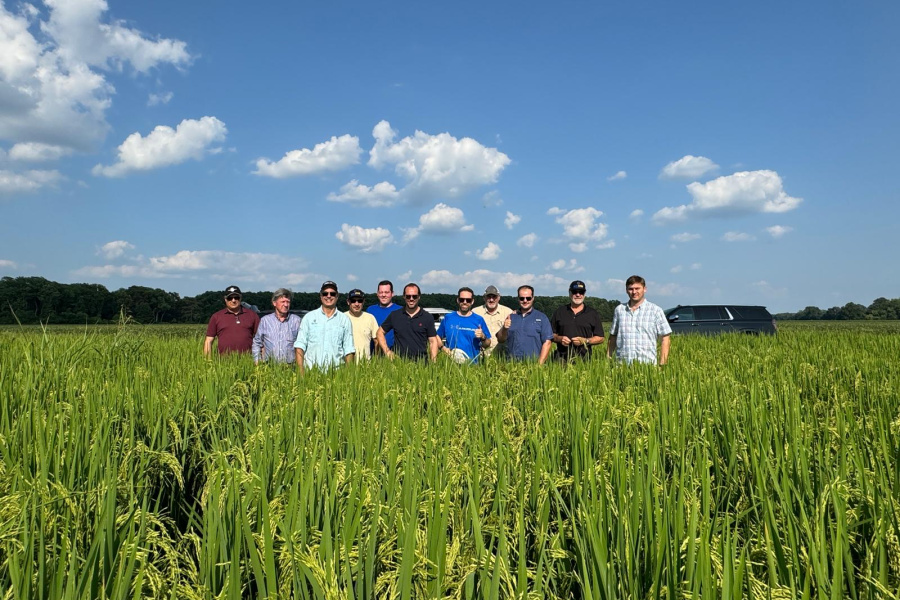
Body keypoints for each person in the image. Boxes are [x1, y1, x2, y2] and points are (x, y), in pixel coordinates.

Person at [607, 275, 671, 365]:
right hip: (622, 366)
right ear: (626, 290)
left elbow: (665, 338)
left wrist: (662, 364)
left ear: (644, 289)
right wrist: (608, 361)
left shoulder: (655, 310)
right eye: (630, 289)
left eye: (637, 288)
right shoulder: (619, 310)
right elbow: (613, 337)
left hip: (648, 366)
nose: (634, 292)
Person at [294, 281, 355, 374]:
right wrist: (301, 371)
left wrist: (348, 375)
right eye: (325, 293)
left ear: (337, 296)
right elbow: (300, 346)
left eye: (332, 294)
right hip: (311, 373)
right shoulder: (309, 318)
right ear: (321, 296)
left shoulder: (344, 320)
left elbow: (349, 349)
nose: (329, 296)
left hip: (336, 374)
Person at [377, 283, 439, 361]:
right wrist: (387, 351)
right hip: (399, 364)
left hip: (421, 365)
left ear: (419, 297)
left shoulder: (427, 317)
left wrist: (433, 363)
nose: (411, 299)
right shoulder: (395, 315)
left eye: (414, 296)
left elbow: (433, 341)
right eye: (408, 296)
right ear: (404, 297)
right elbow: (380, 332)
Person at [550, 280, 605, 363]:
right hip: (561, 360)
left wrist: (585, 341)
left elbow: (601, 338)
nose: (578, 295)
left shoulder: (592, 313)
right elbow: (550, 335)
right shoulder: (560, 312)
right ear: (569, 293)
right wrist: (559, 338)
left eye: (581, 292)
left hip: (584, 361)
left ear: (584, 294)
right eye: (574, 292)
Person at [496, 285, 553, 364]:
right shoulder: (511, 317)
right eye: (522, 298)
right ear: (518, 299)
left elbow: (547, 342)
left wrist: (539, 366)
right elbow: (501, 339)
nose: (525, 301)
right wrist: (504, 328)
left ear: (533, 298)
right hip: (511, 365)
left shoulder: (541, 317)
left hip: (533, 364)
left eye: (528, 298)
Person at [437, 287, 492, 363]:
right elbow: (437, 337)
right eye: (462, 299)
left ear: (472, 301)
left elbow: (487, 344)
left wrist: (483, 337)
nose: (465, 302)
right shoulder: (448, 318)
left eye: (468, 300)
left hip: (473, 366)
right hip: (451, 366)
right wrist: (443, 348)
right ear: (457, 300)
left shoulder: (478, 319)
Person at [204, 285, 260, 355]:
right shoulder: (216, 317)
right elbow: (208, 340)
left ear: (240, 298)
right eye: (230, 298)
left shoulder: (252, 315)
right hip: (223, 362)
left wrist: (260, 360)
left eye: (236, 297)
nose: (233, 300)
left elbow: (261, 340)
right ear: (225, 299)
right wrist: (208, 362)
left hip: (248, 362)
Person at [252, 288, 302, 363]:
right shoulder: (265, 321)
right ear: (274, 303)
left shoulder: (296, 321)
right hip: (269, 366)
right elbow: (257, 342)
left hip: (290, 367)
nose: (286, 305)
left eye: (288, 302)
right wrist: (257, 361)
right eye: (283, 302)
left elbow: (302, 344)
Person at [472, 285, 513, 358]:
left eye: (494, 297)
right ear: (484, 298)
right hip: (480, 356)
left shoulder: (508, 312)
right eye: (489, 297)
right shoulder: (475, 312)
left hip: (502, 356)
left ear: (499, 298)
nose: (491, 300)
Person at [366, 280, 402, 353]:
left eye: (386, 292)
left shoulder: (400, 310)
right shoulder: (370, 310)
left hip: (395, 353)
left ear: (392, 294)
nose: (383, 295)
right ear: (377, 294)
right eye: (381, 292)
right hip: (374, 354)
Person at [344, 288, 380, 362]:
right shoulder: (342, 318)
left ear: (363, 302)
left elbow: (377, 341)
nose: (357, 304)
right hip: (345, 366)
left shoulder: (370, 318)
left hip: (366, 365)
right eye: (353, 301)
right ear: (348, 302)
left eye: (359, 301)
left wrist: (376, 361)